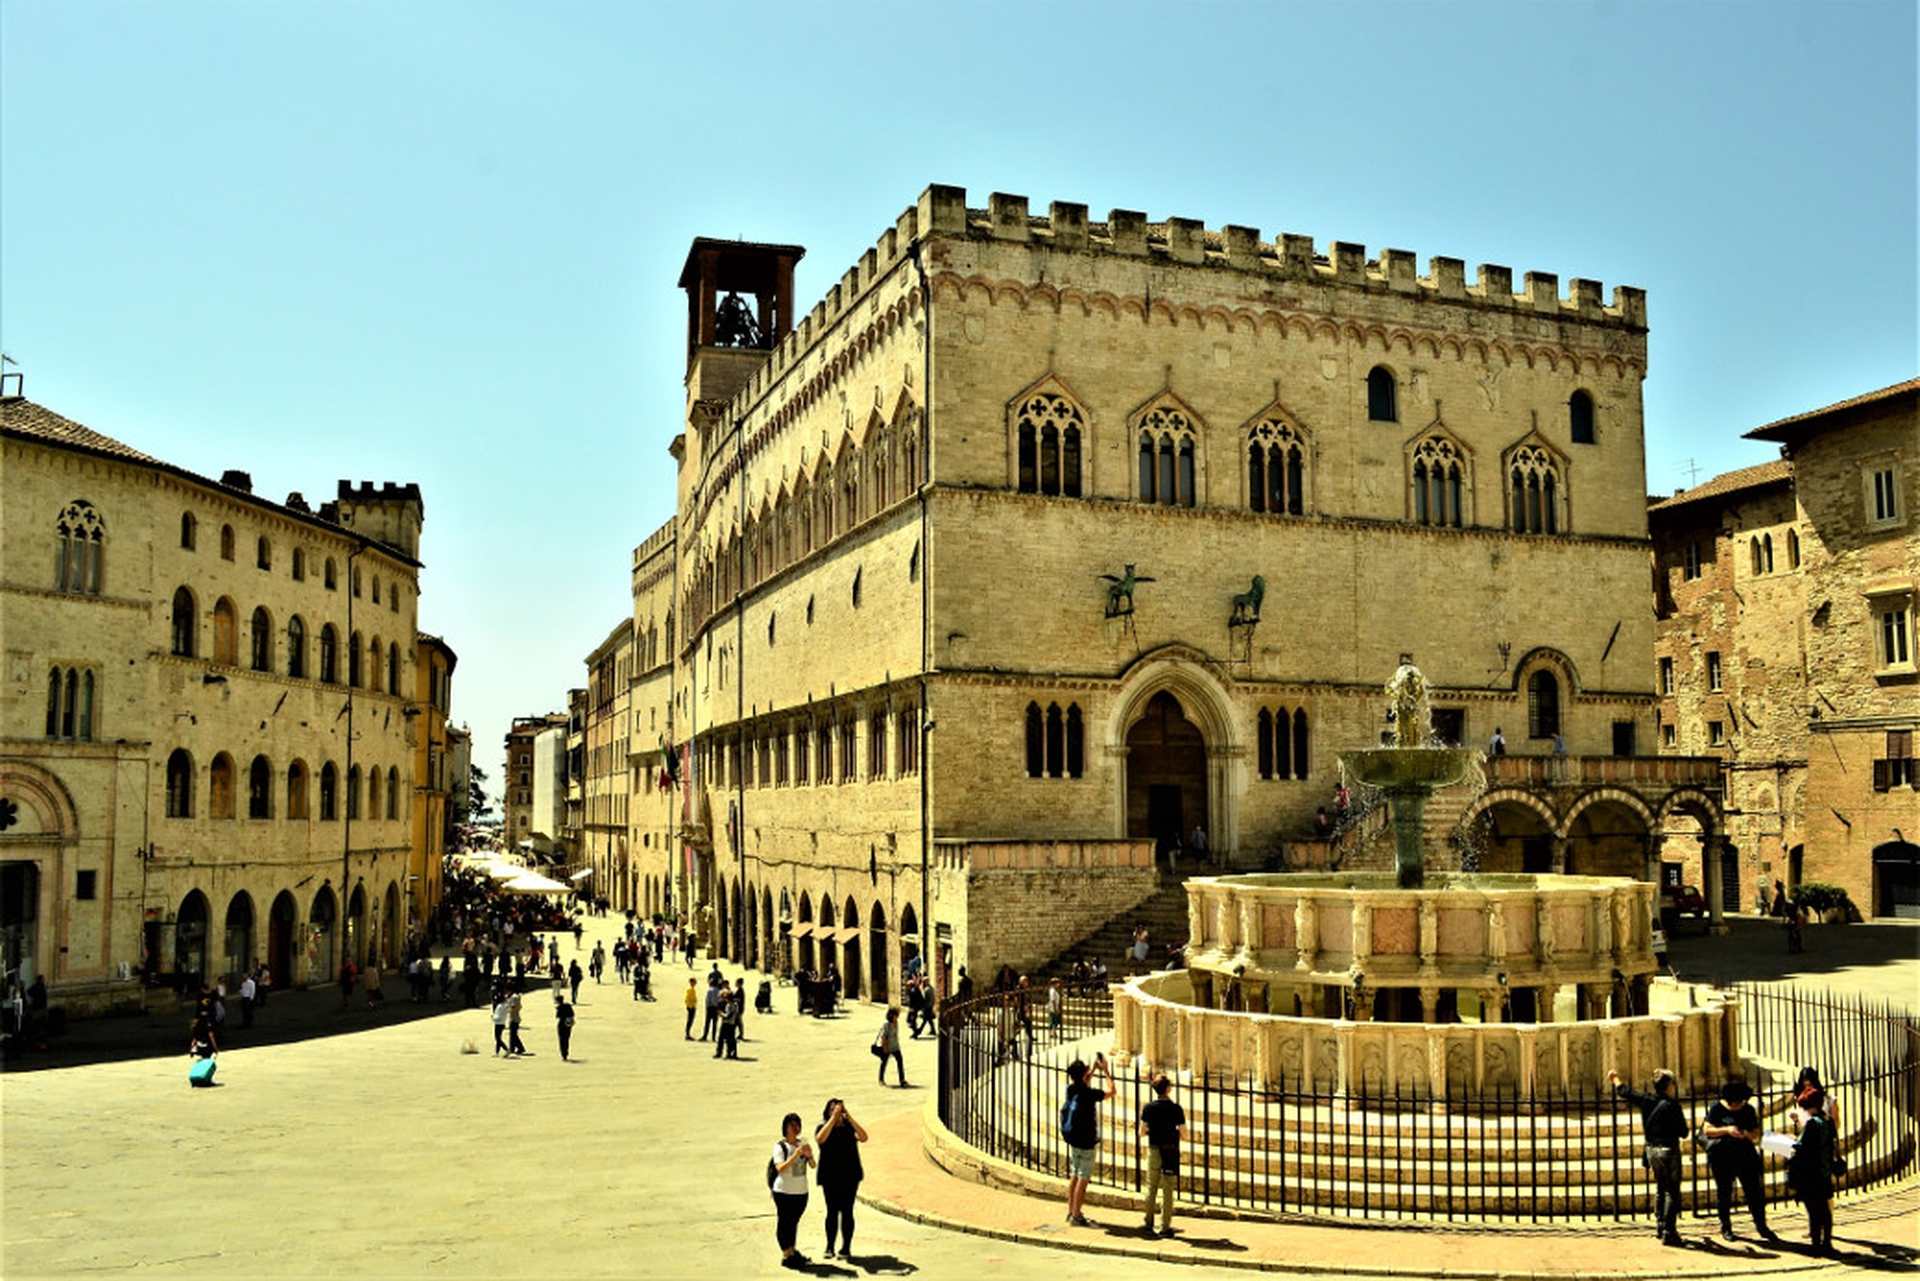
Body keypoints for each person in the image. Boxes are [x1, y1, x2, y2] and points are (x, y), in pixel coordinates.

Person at [1608, 1067, 1689, 1245]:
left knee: (1661, 1187)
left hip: (1652, 1151)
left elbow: (1625, 1092)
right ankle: (1669, 1231)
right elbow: (1684, 1132)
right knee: (1672, 1191)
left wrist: (1615, 1078)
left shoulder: (1646, 1100)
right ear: (1669, 1086)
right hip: (1669, 1150)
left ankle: (1660, 1225)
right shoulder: (1673, 1106)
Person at [1700, 1080, 1773, 1241]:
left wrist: (1745, 1134)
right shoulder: (1717, 1108)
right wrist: (1727, 1130)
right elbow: (1707, 1130)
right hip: (1722, 1156)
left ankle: (1761, 1225)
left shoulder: (1748, 1110)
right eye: (1736, 1102)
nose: (1738, 1105)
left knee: (1754, 1192)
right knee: (1724, 1192)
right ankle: (1726, 1226)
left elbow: (1756, 1133)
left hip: (1745, 1155)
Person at [1061, 1053, 1116, 1226]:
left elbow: (1083, 1082)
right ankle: (1077, 1216)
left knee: (1075, 1175)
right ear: (1084, 1074)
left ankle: (1071, 1211)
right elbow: (1112, 1091)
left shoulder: (1071, 1089)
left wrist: (1092, 1069)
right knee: (1083, 1179)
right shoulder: (1090, 1094)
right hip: (1087, 1140)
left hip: (1074, 1139)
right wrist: (1106, 1071)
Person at [814, 1098, 867, 1261]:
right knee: (832, 1211)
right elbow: (820, 1139)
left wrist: (849, 1117)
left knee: (847, 1211)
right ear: (827, 1112)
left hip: (850, 1175)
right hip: (830, 1176)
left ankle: (846, 1247)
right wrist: (833, 1119)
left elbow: (864, 1137)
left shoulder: (848, 1127)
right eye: (832, 1109)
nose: (836, 1112)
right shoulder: (823, 1127)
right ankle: (830, 1246)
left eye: (839, 1110)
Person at [1789, 1082, 1839, 1252]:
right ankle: (1827, 1243)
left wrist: (1792, 1141)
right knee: (1825, 1210)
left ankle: (1816, 1244)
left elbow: (1802, 1147)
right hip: (1824, 1170)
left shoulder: (1812, 1124)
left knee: (1813, 1211)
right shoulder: (1828, 1120)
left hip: (1811, 1173)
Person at [1138, 1073, 1187, 1238]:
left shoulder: (1148, 1108)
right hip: (1170, 1150)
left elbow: (1141, 1132)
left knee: (1151, 1186)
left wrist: (1152, 1131)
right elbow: (1185, 1134)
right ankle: (1165, 1226)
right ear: (1168, 1089)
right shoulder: (1176, 1109)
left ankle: (1148, 1223)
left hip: (1154, 1148)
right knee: (1168, 1188)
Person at [770, 1112, 815, 1269]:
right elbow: (781, 1168)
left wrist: (809, 1156)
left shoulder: (802, 1144)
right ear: (785, 1128)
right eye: (792, 1125)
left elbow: (813, 1165)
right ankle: (786, 1254)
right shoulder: (780, 1147)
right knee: (784, 1222)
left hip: (801, 1192)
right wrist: (795, 1155)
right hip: (784, 1192)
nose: (796, 1128)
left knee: (793, 1223)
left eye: (798, 1125)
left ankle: (792, 1251)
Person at [875, 1006, 906, 1086]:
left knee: (900, 1061)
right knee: (884, 1063)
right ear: (891, 1016)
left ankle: (902, 1079)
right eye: (896, 1015)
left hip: (895, 1047)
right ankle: (881, 1079)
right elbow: (883, 1037)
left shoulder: (896, 1023)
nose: (897, 1017)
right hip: (887, 1047)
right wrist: (885, 1048)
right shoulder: (886, 1025)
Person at [507, 989, 529, 1056]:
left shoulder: (514, 997)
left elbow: (515, 1007)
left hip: (514, 1019)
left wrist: (507, 1010)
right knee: (512, 1035)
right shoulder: (514, 997)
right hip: (513, 1018)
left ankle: (520, 1048)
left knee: (513, 1035)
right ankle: (512, 1048)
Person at [555, 995, 575, 1061]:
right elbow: (572, 1014)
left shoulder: (559, 1008)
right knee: (566, 1039)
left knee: (562, 1040)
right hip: (568, 1025)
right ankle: (566, 1053)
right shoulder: (568, 1006)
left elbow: (557, 1016)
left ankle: (564, 1055)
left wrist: (558, 1009)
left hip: (561, 1025)